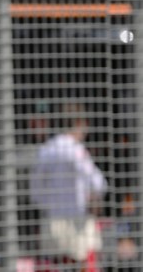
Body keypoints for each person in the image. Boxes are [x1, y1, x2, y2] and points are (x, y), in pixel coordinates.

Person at [29, 103, 108, 271]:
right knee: (88, 262)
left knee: (54, 265)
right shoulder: (76, 149)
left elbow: (35, 189)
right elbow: (97, 182)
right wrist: (94, 197)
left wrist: (49, 205)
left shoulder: (47, 149)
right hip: (77, 220)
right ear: (80, 123)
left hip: (52, 220)